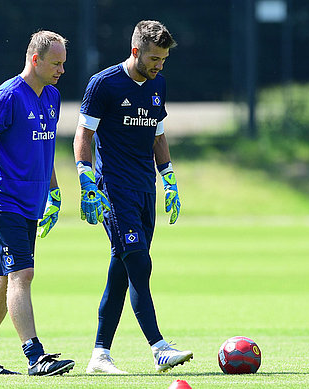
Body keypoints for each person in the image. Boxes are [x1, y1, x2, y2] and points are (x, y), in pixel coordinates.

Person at [73, 20, 191, 374]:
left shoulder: (159, 86)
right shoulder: (104, 84)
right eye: (154, 58)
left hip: (144, 189)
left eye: (164, 60)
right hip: (115, 190)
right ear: (136, 51)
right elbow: (82, 135)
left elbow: (158, 135)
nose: (159, 65)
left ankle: (99, 355)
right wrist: (87, 181)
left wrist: (168, 179)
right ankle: (158, 347)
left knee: (122, 268)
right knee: (139, 262)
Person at [0, 30, 75, 376]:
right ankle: (35, 356)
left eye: (63, 64)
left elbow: (44, 147)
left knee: (7, 278)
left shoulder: (51, 96)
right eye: (56, 64)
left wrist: (53, 191)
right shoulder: (8, 96)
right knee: (23, 273)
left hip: (29, 202)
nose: (61, 71)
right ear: (35, 60)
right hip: (2, 200)